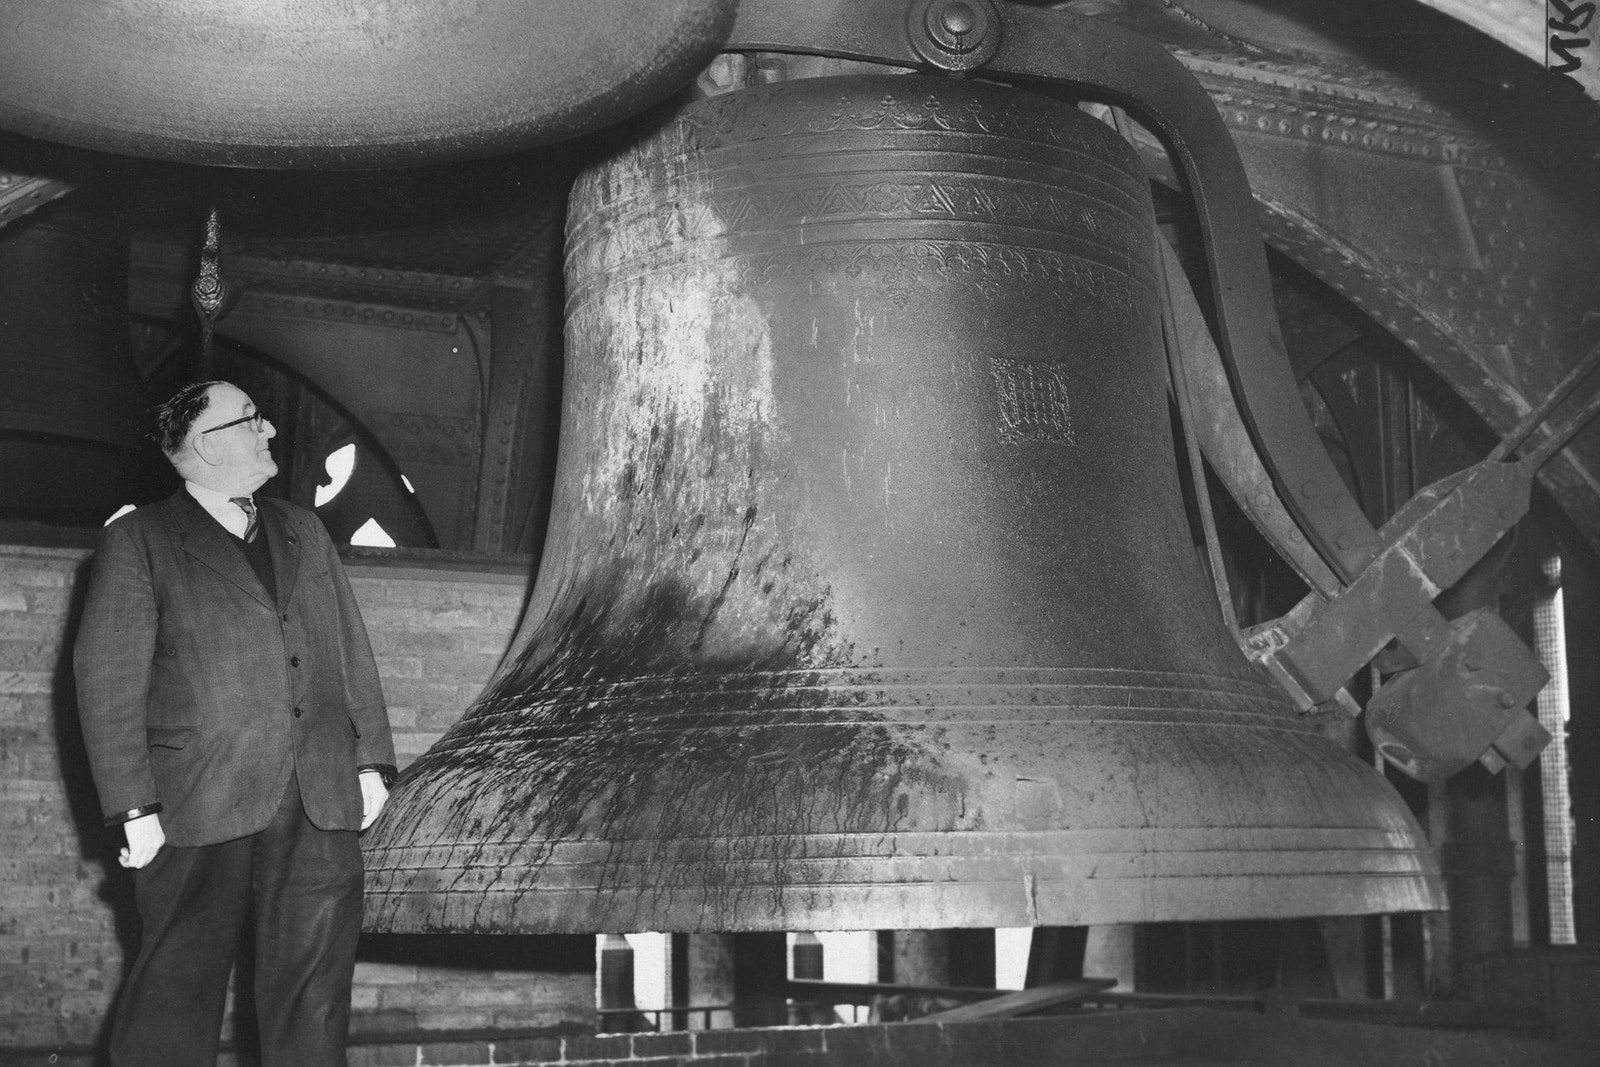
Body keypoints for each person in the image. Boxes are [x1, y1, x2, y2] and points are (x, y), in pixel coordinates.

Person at [74, 380, 397, 1066]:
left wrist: (371, 759)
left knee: (313, 999)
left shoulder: (303, 528)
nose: (271, 429)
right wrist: (134, 806)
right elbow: (107, 682)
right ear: (207, 445)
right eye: (253, 419)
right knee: (174, 995)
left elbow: (348, 646)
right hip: (195, 802)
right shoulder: (140, 539)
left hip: (317, 798)